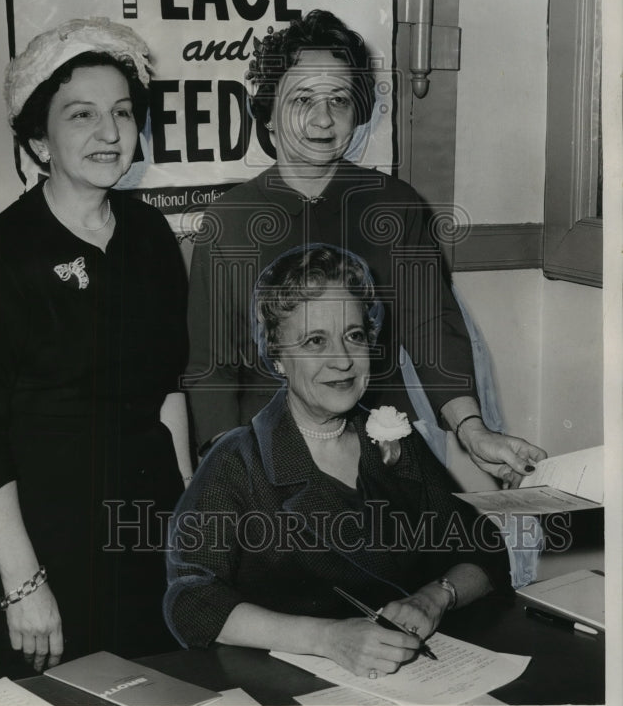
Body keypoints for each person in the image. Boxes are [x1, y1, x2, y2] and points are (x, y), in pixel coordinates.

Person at [185, 9, 546, 484]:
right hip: (267, 459)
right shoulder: (229, 220)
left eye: (339, 99)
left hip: (383, 449)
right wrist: (229, 471)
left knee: (466, 556)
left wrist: (472, 429)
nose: (322, 118)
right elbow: (211, 367)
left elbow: (431, 327)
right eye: (302, 100)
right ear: (267, 111)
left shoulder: (394, 204)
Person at [0, 18, 192, 689]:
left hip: (144, 532)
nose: (109, 134)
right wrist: (23, 584)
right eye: (81, 115)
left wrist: (190, 519)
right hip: (36, 544)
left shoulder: (150, 235)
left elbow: (170, 390)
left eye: (121, 113)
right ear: (37, 139)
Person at [165, 245, 511, 673]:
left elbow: (484, 547)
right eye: (315, 340)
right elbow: (190, 601)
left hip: (409, 677)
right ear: (277, 356)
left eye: (354, 335)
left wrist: (434, 597)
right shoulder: (238, 461)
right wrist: (328, 639)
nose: (343, 359)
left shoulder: (395, 442)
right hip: (283, 686)